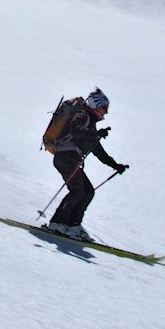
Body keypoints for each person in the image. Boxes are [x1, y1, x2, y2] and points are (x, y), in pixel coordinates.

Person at [46, 87, 128, 241]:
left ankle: (73, 224)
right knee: (77, 191)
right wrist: (96, 134)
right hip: (65, 158)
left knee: (88, 192)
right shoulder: (82, 115)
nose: (106, 113)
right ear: (96, 105)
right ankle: (58, 223)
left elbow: (97, 150)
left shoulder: (89, 123)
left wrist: (116, 166)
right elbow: (76, 131)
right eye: (105, 108)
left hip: (70, 160)